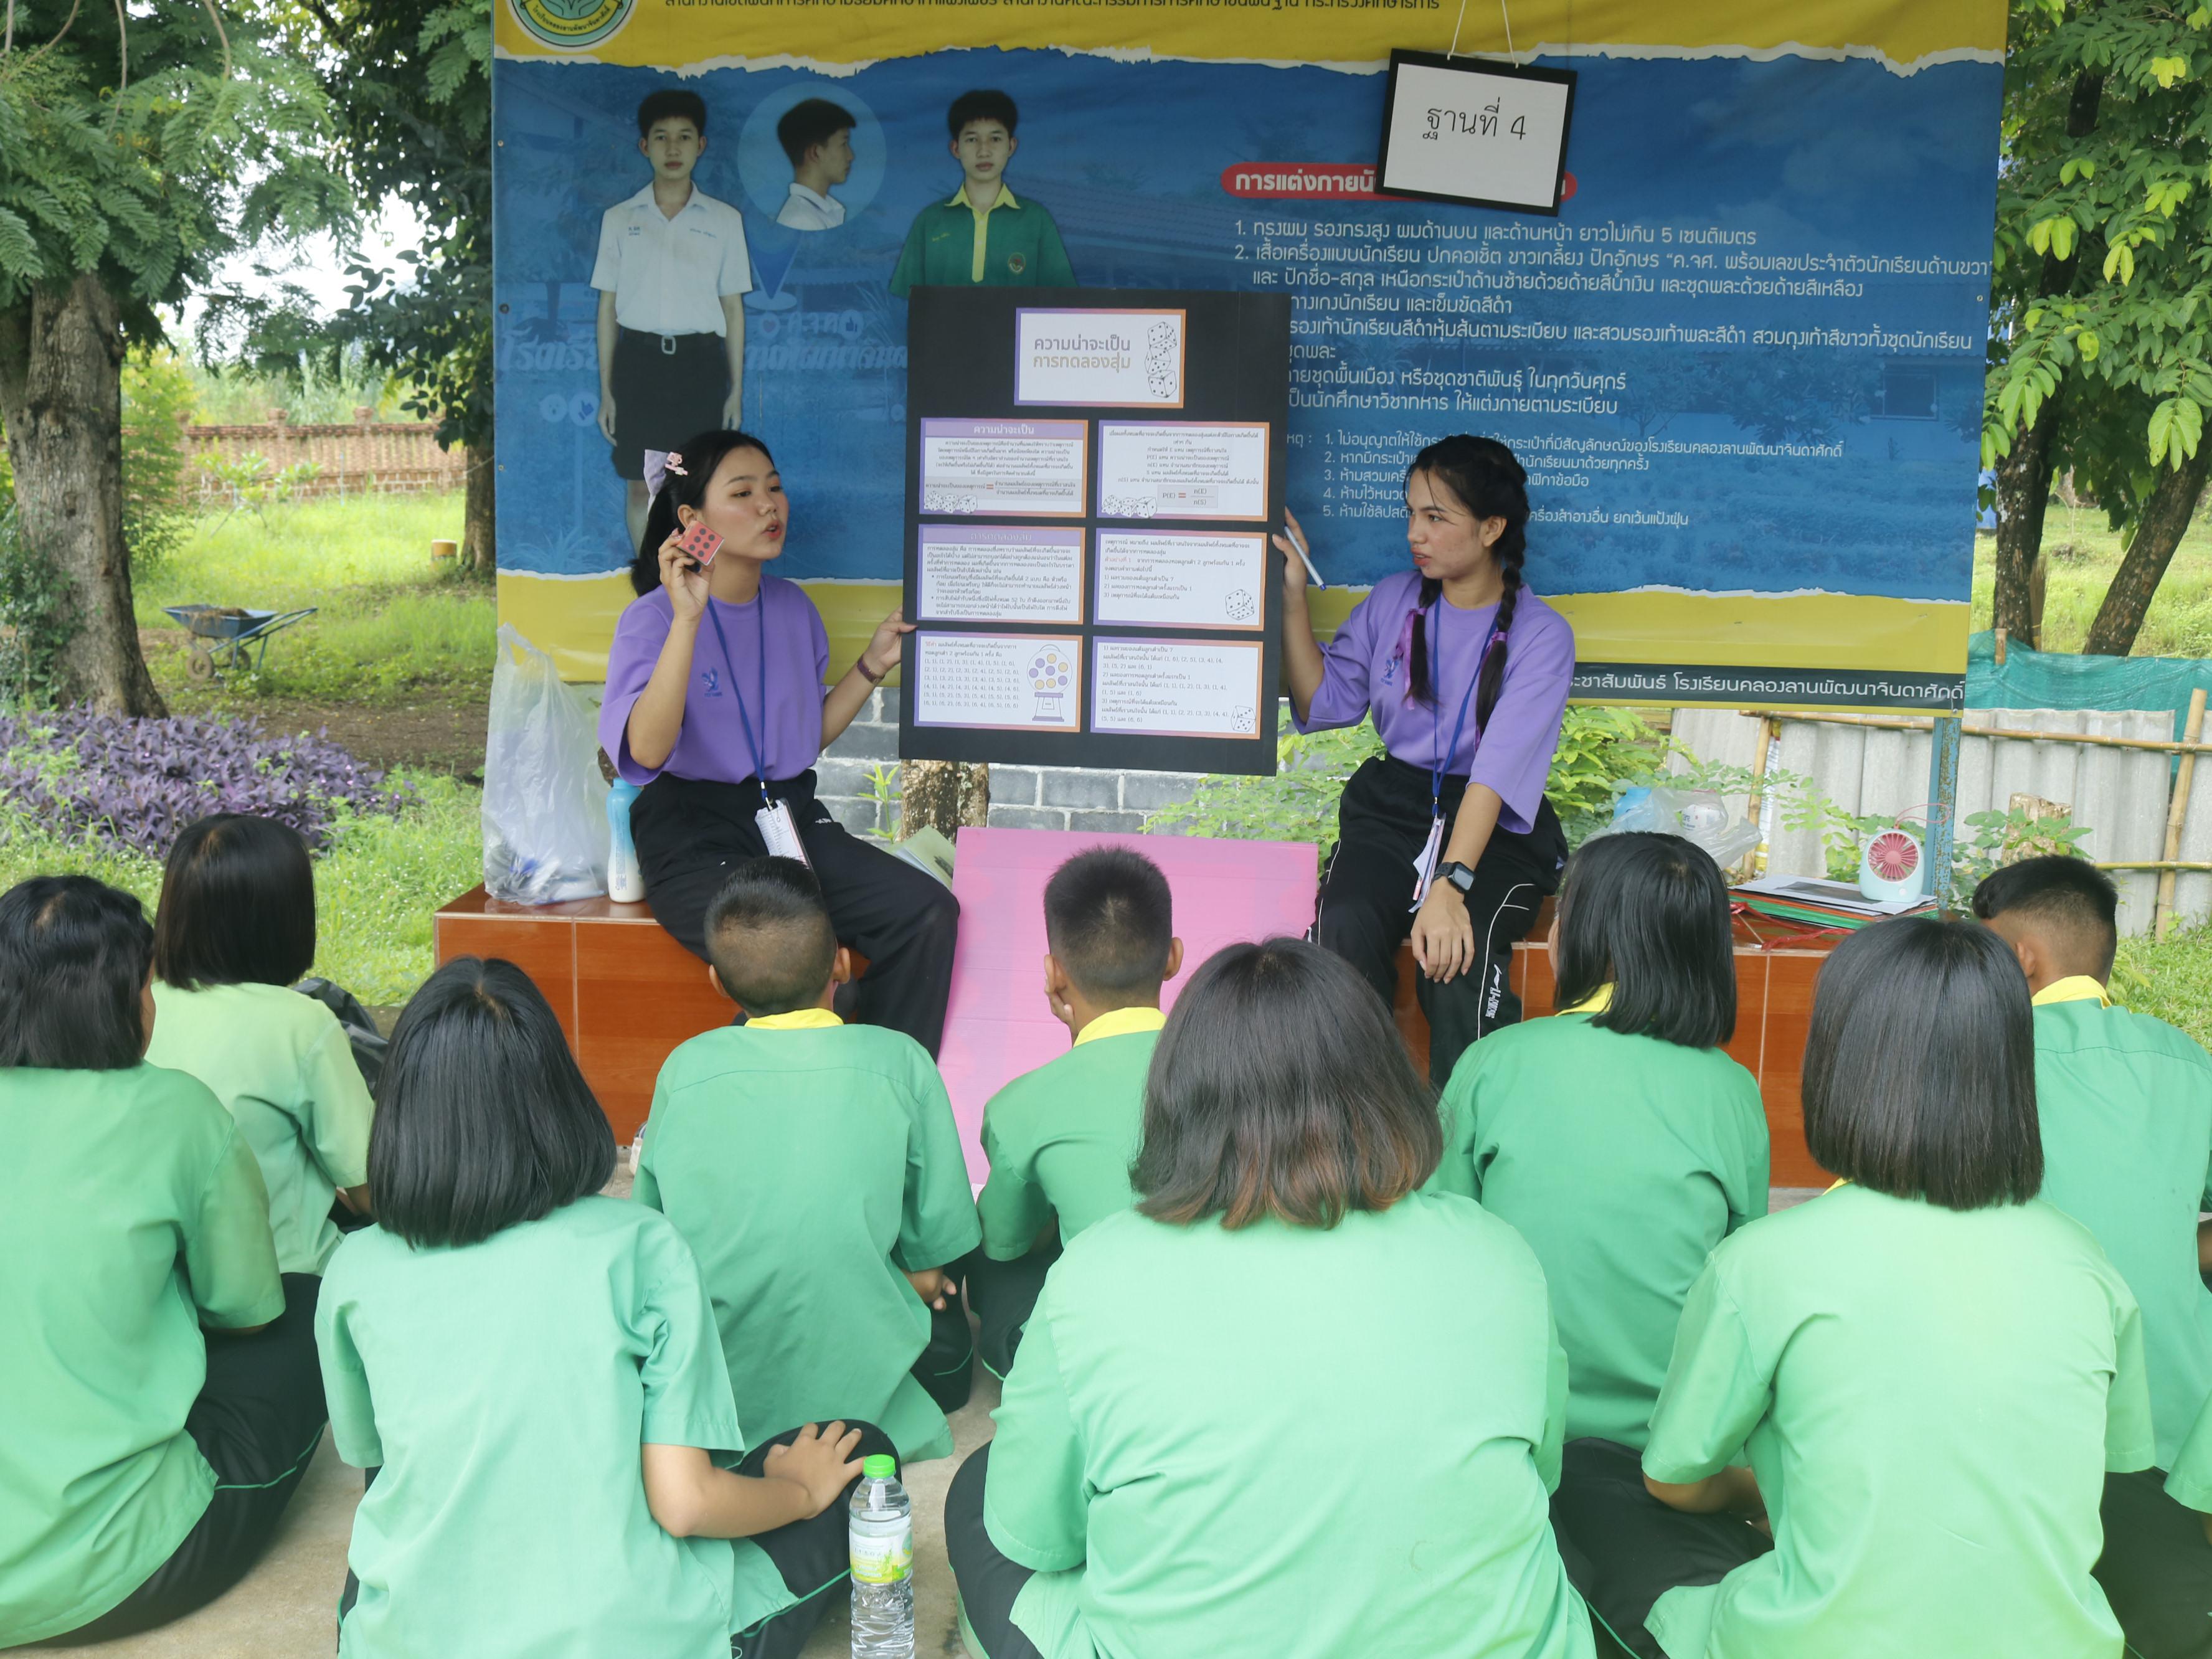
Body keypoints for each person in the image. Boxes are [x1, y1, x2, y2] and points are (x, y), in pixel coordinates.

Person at [945, 938, 1595, 1659]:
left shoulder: (1094, 1274)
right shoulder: (1498, 1253)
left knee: (979, 1492)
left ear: (1175, 1098)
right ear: (1384, 1083)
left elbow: (1038, 1530)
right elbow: (1541, 1471)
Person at [1612, 917, 2156, 1659]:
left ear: (1838, 1063)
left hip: (1815, 1642)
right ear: (2011, 1071)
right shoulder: (2086, 1265)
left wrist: (1765, 1496)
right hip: (2061, 1644)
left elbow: (1675, 1482)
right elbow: (2107, 1464)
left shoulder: (1765, 1262)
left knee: (1594, 1492)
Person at [316, 956, 890, 1659]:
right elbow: (685, 1504)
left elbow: (384, 1467)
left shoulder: (354, 1268)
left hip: (411, 1639)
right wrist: (799, 1495)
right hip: (636, 1635)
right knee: (862, 1452)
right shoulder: (642, 1246)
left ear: (402, 1112)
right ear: (557, 1093)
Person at [1427, 830, 1769, 1633]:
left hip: (1507, 1448)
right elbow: (1743, 1290)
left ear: (1578, 931)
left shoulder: (1495, 1063)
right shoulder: (1731, 1092)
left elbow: (1438, 1257)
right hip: (1676, 1472)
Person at [0, 876, 324, 1648]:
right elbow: (245, 1314)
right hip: (111, 1570)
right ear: (123, 1000)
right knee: (309, 1307)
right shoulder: (177, 1112)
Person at [598, 427, 961, 1056]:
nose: (769, 505)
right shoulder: (651, 619)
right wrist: (687, 617)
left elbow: (799, 742)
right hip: (691, 836)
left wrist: (872, 665)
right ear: (692, 518)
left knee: (928, 912)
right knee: (794, 945)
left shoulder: (794, 611)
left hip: (788, 821)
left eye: (774, 488)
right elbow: (648, 754)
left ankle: (890, 1082)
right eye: (742, 493)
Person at [633, 859, 981, 1464]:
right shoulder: (899, 1061)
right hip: (863, 1383)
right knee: (945, 1305)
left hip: (717, 1383)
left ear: (718, 982)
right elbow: (942, 1233)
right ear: (842, 966)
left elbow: (654, 1232)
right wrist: (920, 1278)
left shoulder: (684, 1068)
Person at [1973, 854, 2212, 1658]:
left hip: (2019, 1418)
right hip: (2178, 1421)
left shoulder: (1981, 1057)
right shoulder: (2188, 1060)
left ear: (2018, 959)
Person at [1279, 434, 1573, 1084]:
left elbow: (1494, 774)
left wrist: (1451, 886)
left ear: (1493, 528)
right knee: (1345, 926)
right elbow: (1323, 703)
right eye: (1411, 513)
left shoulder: (1541, 635)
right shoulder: (1393, 601)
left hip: (1493, 827)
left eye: (1437, 518)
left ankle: (1467, 1161)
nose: (1416, 533)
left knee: (1455, 959)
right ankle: (1361, 1140)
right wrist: (1294, 596)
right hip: (1394, 807)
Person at [967, 847, 1183, 1377]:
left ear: (1053, 974)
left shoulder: (1023, 1104)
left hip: (1104, 1358)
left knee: (989, 1252)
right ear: (1174, 957)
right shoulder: (1250, 1069)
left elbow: (1008, 1240)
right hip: (1228, 1323)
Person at [144, 813, 376, 1275]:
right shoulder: (301, 1024)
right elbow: (375, 1190)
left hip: (161, 1280)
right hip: (284, 1285)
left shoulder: (138, 1005)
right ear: (284, 919)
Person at [593, 88, 752, 551]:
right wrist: (607, 390)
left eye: (684, 137)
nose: (673, 148)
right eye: (661, 137)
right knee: (641, 485)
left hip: (699, 369)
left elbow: (733, 309)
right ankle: (654, 587)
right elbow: (607, 309)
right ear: (645, 146)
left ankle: (697, 583)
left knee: (695, 488)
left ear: (701, 145)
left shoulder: (724, 221)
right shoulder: (620, 219)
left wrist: (736, 388)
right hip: (638, 367)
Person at [889, 88, 1075, 297]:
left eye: (995, 139)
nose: (984, 151)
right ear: (955, 148)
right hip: (945, 331)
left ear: (1011, 146)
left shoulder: (1037, 220)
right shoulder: (930, 222)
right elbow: (904, 303)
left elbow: (1063, 301)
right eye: (972, 139)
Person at [775, 97, 855, 230]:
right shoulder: (801, 221)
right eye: (843, 144)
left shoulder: (817, 213)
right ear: (816, 153)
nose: (851, 156)